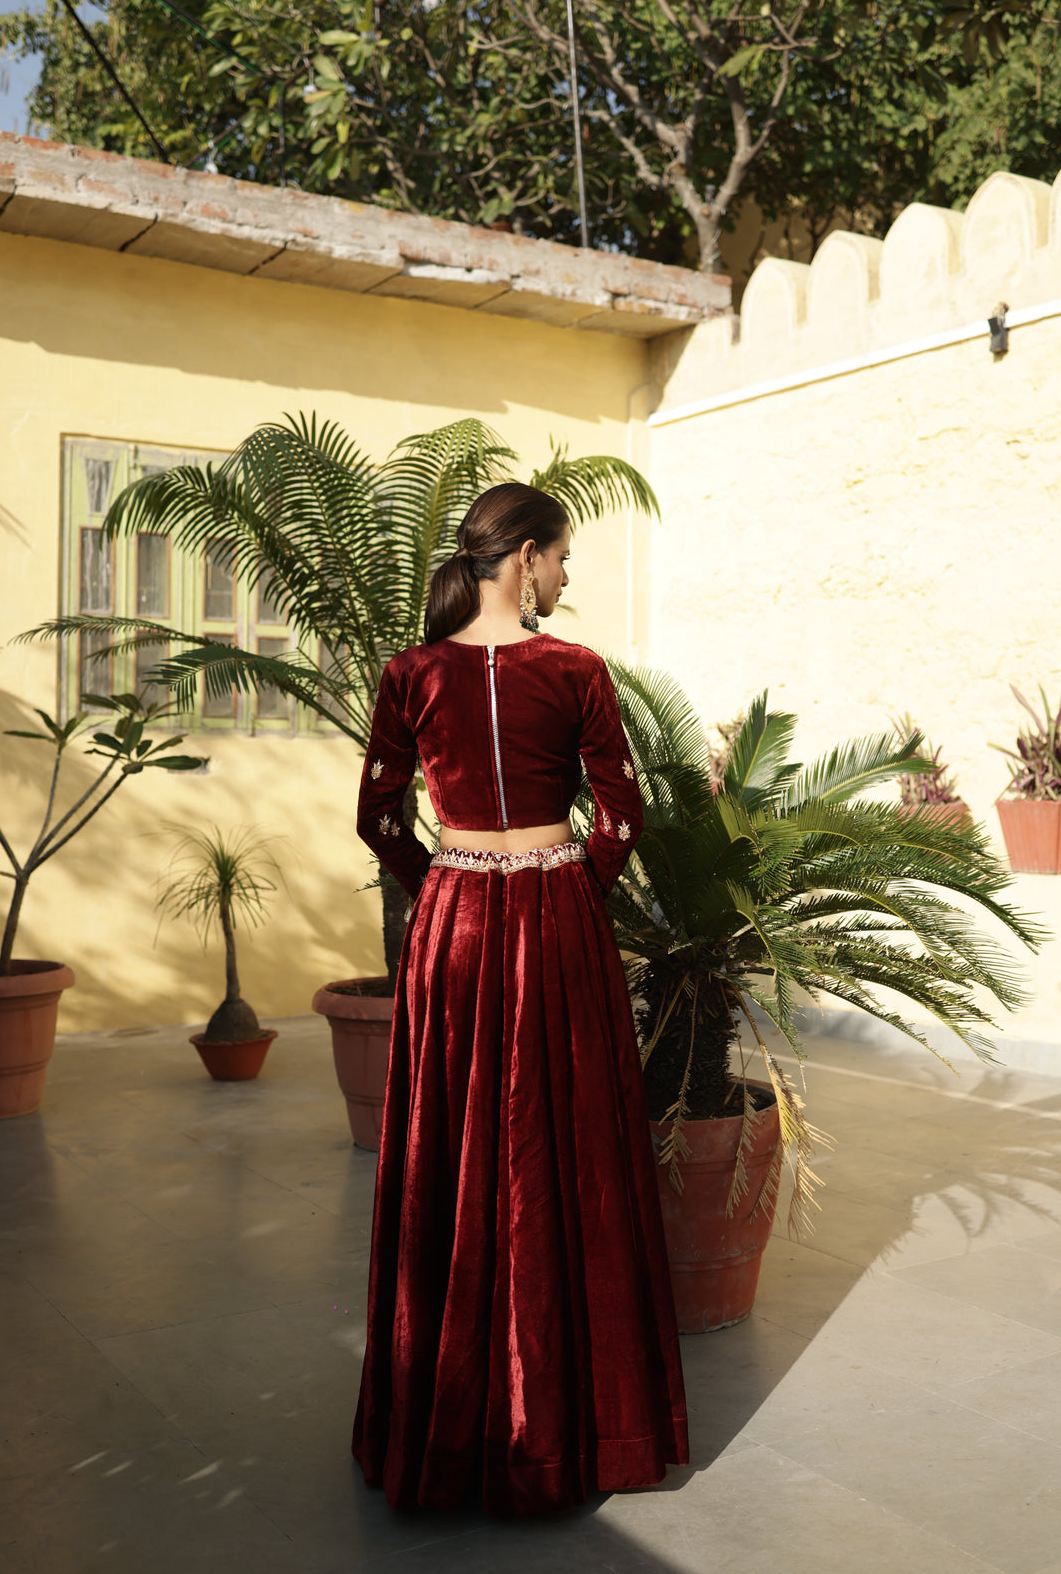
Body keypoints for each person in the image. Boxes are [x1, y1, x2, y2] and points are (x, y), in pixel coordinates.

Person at [351, 480, 689, 1517]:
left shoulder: (408, 673)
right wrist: (568, 891)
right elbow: (621, 812)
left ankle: (445, 1422)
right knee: (567, 1145)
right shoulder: (574, 669)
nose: (565, 573)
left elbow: (376, 817)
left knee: (448, 1152)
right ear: (526, 556)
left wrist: (447, 882)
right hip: (553, 921)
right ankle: (575, 1420)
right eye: (560, 555)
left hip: (452, 922)